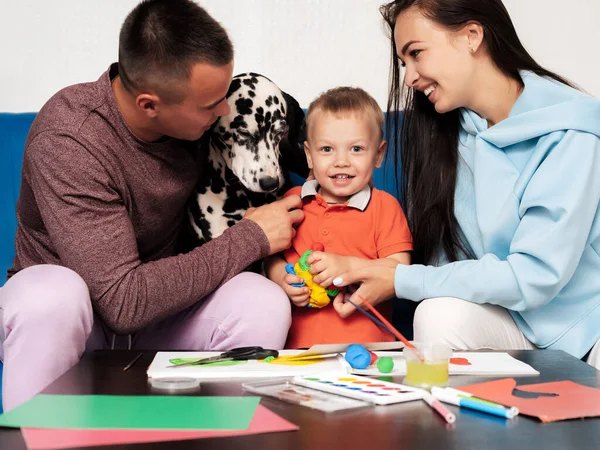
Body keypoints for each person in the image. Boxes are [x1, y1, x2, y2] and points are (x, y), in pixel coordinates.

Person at [0, 0, 304, 411]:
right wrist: (251, 237)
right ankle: (36, 434)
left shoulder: (200, 123)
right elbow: (122, 302)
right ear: (149, 104)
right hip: (76, 321)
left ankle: (221, 434)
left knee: (261, 300)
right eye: (210, 103)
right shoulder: (70, 140)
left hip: (163, 314)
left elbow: (307, 150)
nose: (224, 110)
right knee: (53, 295)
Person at [332, 0, 600, 369]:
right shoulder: (446, 136)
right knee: (437, 315)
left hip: (587, 325)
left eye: (416, 54)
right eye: (403, 62)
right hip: (512, 320)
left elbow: (536, 276)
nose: (409, 77)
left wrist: (401, 279)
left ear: (472, 36)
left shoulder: (570, 129)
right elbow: (450, 269)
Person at [265, 87, 413, 348]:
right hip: (296, 349)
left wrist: (348, 267)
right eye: (327, 149)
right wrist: (281, 279)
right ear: (309, 155)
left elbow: (398, 272)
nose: (341, 161)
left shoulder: (384, 207)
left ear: (378, 155)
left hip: (368, 348)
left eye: (356, 149)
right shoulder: (292, 201)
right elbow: (271, 256)